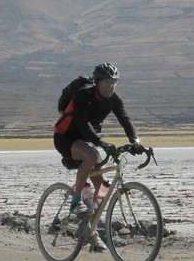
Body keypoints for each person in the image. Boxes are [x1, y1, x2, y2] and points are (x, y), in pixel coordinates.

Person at [54, 63, 140, 222]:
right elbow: (83, 123)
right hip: (65, 138)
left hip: (87, 140)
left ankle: (89, 225)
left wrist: (135, 141)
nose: (110, 86)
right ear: (97, 81)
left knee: (104, 187)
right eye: (107, 82)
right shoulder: (83, 94)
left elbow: (124, 118)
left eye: (114, 82)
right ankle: (76, 200)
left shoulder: (113, 98)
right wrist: (102, 143)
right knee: (92, 155)